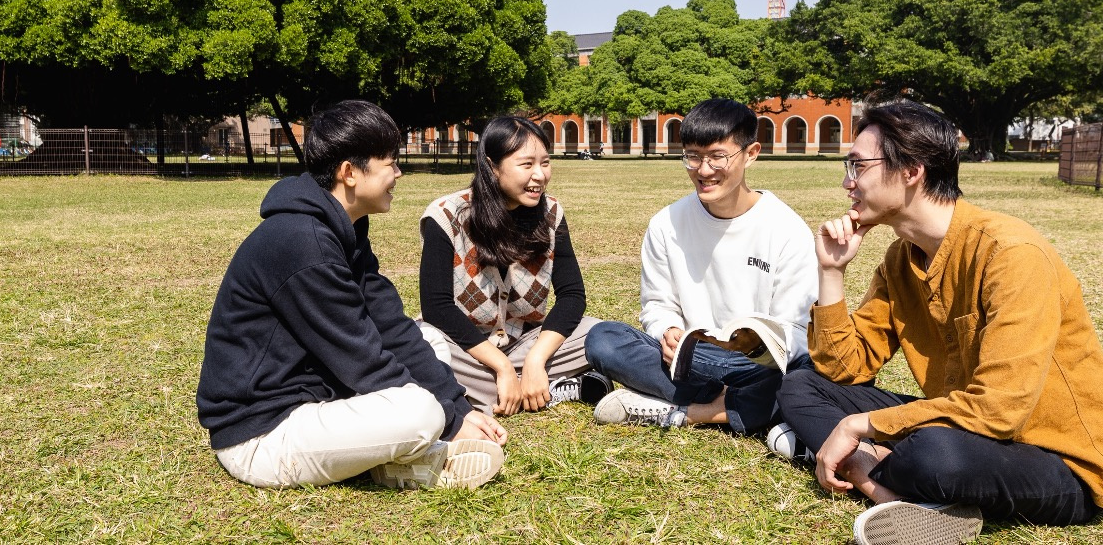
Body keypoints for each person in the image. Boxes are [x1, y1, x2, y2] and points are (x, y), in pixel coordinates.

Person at [771, 101, 1103, 545]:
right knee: (801, 385)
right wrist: (831, 273)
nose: (848, 182)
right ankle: (882, 484)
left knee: (934, 454)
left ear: (911, 171)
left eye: (858, 166)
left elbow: (999, 411)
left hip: (1054, 460)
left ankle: (867, 469)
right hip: (962, 425)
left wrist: (856, 426)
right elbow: (843, 369)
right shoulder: (901, 258)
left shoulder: (1010, 254)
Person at [196, 100, 508, 490]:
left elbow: (391, 327)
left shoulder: (343, 229)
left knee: (428, 338)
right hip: (262, 435)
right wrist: (451, 420)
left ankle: (400, 456)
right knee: (421, 412)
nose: (399, 173)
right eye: (390, 163)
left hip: (315, 401)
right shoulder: (302, 242)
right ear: (349, 173)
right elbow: (361, 358)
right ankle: (414, 455)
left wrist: (459, 407)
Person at [584, 98, 818, 435]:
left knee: (808, 371)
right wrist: (667, 330)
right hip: (688, 360)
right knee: (603, 339)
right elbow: (657, 305)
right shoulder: (666, 224)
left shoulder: (786, 228)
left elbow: (797, 330)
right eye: (693, 157)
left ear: (751, 153)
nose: (703, 170)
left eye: (717, 157)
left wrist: (753, 346)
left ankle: (688, 411)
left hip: (756, 366)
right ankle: (738, 406)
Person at [416, 117, 612, 416]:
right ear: (493, 167)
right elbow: (437, 308)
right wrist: (502, 366)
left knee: (601, 333)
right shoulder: (446, 216)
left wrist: (535, 359)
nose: (540, 175)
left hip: (525, 344)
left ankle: (506, 388)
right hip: (466, 350)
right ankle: (544, 388)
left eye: (545, 163)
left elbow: (572, 296)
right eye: (526, 164)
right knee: (420, 345)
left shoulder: (551, 213)